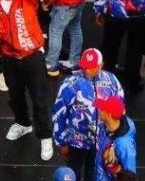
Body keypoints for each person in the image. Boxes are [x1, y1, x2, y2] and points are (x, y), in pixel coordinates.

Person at [0, 0, 54, 162]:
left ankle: (45, 136)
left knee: (39, 99)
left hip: (31, 55)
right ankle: (23, 123)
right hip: (9, 56)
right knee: (14, 95)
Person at [52, 47, 124, 181]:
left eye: (91, 67)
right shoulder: (70, 84)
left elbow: (119, 108)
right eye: (84, 66)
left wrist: (115, 138)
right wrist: (62, 142)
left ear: (101, 65)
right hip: (76, 142)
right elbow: (58, 114)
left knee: (95, 172)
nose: (87, 70)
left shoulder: (112, 80)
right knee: (73, 173)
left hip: (102, 141)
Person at [94, 95, 137, 179]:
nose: (98, 110)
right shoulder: (109, 125)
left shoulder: (124, 145)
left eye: (102, 109)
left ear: (109, 115)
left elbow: (129, 177)